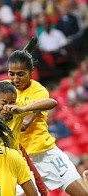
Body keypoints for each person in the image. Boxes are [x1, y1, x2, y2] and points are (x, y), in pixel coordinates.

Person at [7, 37, 88, 195]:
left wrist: (19, 111)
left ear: (31, 72)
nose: (15, 79)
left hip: (46, 153)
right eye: (12, 74)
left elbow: (24, 125)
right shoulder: (5, 89)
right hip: (21, 161)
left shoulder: (39, 91)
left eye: (21, 74)